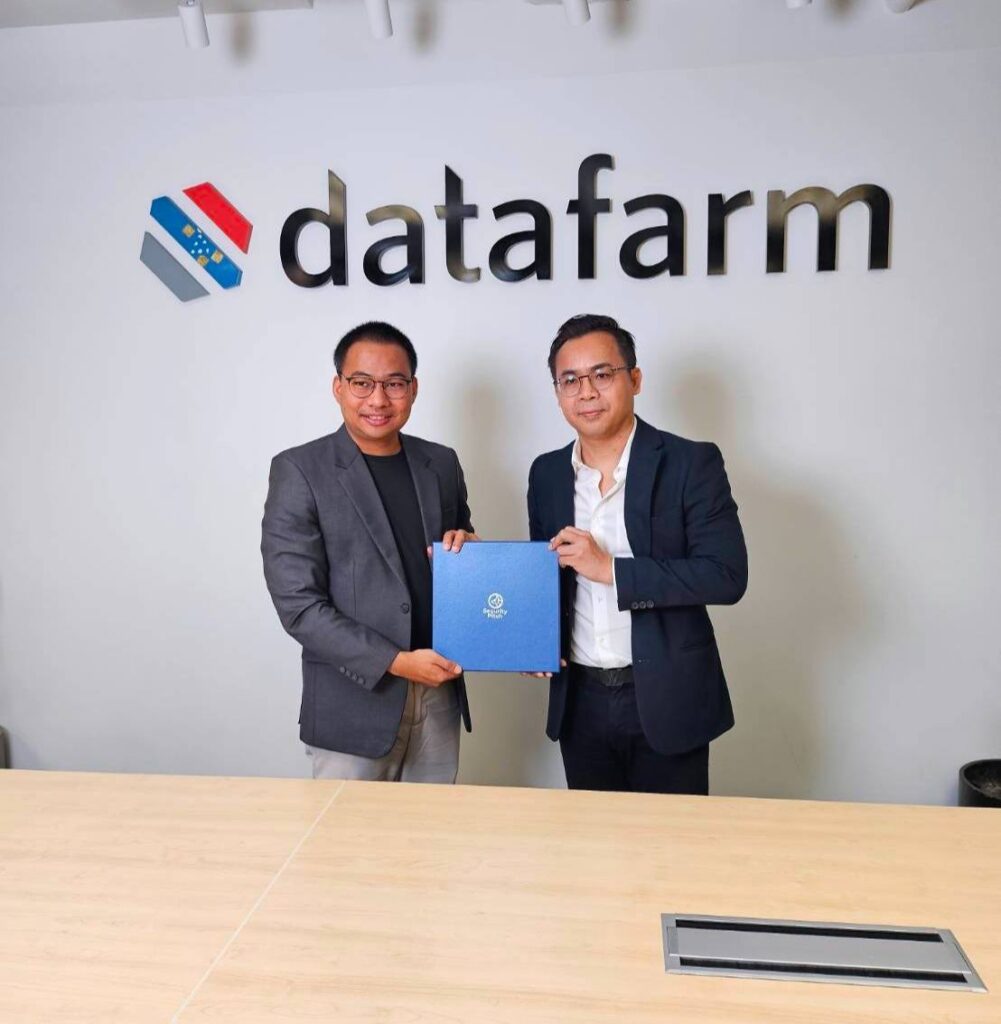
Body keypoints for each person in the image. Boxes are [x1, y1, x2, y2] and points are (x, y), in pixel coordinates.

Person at [527, 314, 747, 794]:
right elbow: (547, 576)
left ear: (635, 379)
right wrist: (533, 638)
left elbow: (726, 575)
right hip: (580, 701)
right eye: (570, 380)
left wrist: (611, 570)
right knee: (592, 838)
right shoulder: (546, 473)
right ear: (558, 392)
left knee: (672, 839)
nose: (586, 392)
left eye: (602, 374)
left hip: (668, 697)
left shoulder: (691, 463)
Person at [261, 321, 477, 782]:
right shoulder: (299, 470)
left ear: (413, 389)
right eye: (362, 383)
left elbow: (463, 552)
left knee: (436, 826)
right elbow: (299, 607)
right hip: (352, 702)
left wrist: (474, 555)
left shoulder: (441, 463)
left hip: (439, 693)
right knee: (347, 831)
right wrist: (396, 663)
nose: (378, 400)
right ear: (338, 387)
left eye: (394, 384)